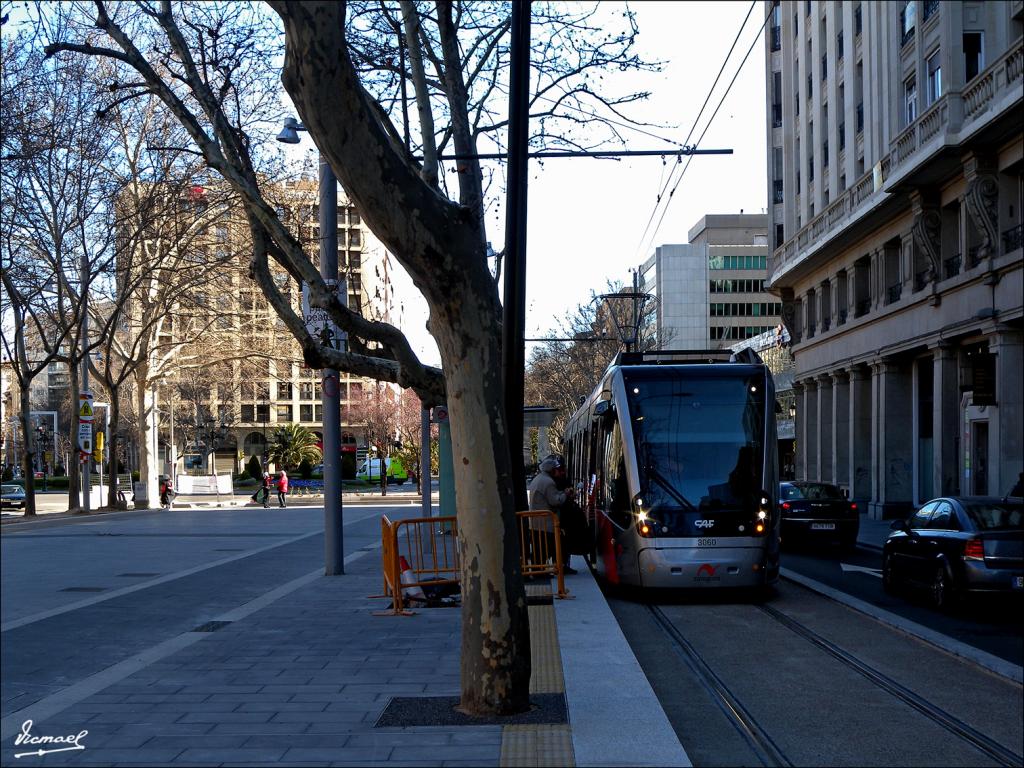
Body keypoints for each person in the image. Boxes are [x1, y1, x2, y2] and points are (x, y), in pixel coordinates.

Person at [527, 455, 577, 575]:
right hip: (546, 522)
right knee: (547, 547)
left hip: (536, 521)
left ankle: (539, 570)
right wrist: (565, 494)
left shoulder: (538, 478)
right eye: (556, 469)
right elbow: (555, 501)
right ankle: (545, 570)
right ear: (552, 470)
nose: (558, 472)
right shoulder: (548, 482)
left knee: (539, 548)